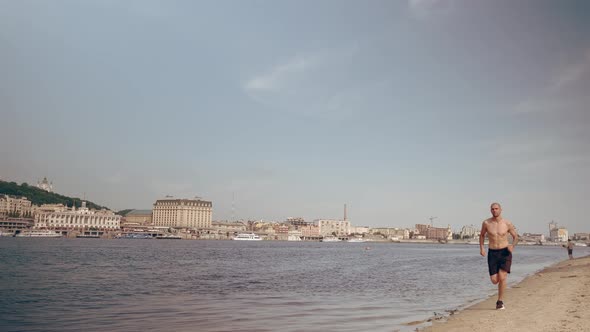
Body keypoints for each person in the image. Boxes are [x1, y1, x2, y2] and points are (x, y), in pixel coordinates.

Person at [479, 202, 519, 310]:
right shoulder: (486, 223)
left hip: (505, 252)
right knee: (494, 280)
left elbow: (516, 237)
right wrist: (482, 248)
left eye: (496, 208)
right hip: (492, 253)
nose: (494, 210)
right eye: (492, 209)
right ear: (490, 210)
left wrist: (512, 246)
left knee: (502, 277)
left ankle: (500, 301)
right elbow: (482, 235)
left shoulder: (507, 223)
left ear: (501, 210)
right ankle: (499, 300)